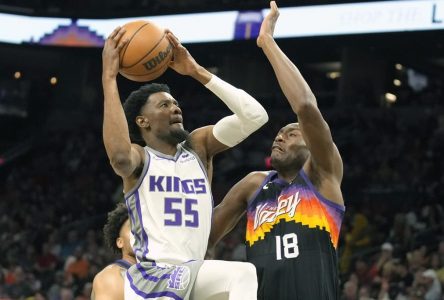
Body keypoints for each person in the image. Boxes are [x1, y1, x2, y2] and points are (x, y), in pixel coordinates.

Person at [102, 24, 268, 299]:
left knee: (243, 274)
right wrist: (109, 77)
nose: (175, 107)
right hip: (152, 278)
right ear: (142, 121)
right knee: (239, 275)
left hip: (193, 272)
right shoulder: (140, 158)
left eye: (176, 103)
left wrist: (197, 71)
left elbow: (255, 117)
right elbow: (119, 157)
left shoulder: (198, 146)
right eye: (163, 105)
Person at [210, 2, 345, 299]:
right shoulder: (253, 185)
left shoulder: (322, 175)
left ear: (312, 144)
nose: (280, 137)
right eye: (279, 134)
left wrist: (268, 43)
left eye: (292, 132)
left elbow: (306, 107)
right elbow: (204, 237)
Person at [91, 203, 136, 300]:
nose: (139, 234)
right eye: (132, 229)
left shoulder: (158, 270)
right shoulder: (111, 277)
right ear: (120, 242)